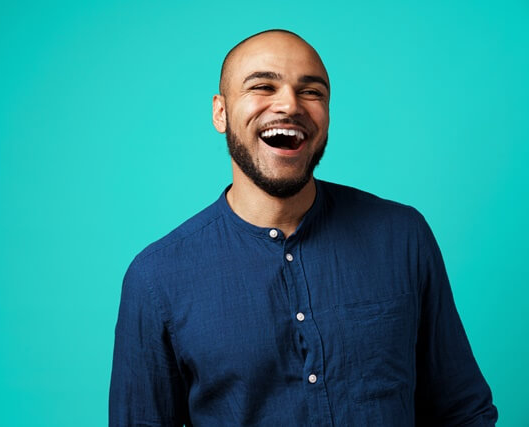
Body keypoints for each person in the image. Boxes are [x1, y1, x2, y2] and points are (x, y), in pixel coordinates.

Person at [109, 29, 498, 426]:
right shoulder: (155, 278)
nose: (290, 105)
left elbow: (463, 412)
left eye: (311, 92)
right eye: (263, 86)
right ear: (220, 113)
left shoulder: (402, 237)